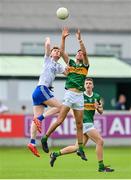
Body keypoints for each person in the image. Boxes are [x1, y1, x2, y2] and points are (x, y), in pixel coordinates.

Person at [41, 27, 89, 160]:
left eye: (81, 53)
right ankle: (45, 138)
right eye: (78, 53)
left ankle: (80, 149)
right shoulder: (71, 63)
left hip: (79, 96)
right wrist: (63, 38)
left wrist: (80, 41)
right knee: (60, 120)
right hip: (69, 94)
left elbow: (85, 53)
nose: (80, 53)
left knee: (79, 124)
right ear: (75, 56)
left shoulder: (85, 66)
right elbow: (61, 52)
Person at [49, 78, 114, 172]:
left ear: (93, 85)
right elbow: (70, 107)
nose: (88, 85)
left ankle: (55, 154)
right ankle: (101, 167)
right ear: (84, 85)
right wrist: (75, 117)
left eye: (90, 83)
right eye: (86, 83)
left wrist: (98, 108)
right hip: (84, 123)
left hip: (89, 123)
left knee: (76, 147)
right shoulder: (80, 95)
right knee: (100, 141)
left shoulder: (96, 96)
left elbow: (101, 111)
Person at [27, 36, 67, 157]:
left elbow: (68, 73)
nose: (56, 52)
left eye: (58, 51)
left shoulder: (58, 66)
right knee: (61, 107)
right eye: (54, 51)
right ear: (50, 54)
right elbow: (47, 47)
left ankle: (32, 143)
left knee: (36, 118)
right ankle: (40, 119)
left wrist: (72, 68)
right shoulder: (48, 59)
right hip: (41, 89)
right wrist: (48, 40)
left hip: (40, 91)